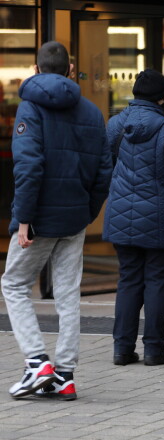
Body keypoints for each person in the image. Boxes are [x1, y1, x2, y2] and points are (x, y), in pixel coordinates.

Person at [1, 41, 113, 400]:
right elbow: (103, 172)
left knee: (14, 284)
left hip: (40, 219)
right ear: (71, 68)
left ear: (36, 69)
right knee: (67, 295)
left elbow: (29, 168)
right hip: (74, 218)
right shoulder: (93, 113)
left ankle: (37, 362)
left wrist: (23, 220)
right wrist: (87, 211)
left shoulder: (30, 108)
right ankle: (65, 373)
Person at [103, 69, 164, 367]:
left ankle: (122, 349)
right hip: (163, 216)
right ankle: (154, 350)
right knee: (158, 281)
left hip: (122, 213)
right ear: (163, 97)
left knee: (128, 280)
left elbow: (105, 165)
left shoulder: (115, 125)